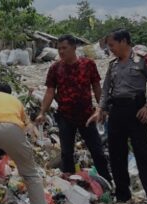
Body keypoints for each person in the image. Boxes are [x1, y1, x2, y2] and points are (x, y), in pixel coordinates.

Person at [87, 29, 147, 204]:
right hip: (117, 112)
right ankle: (123, 196)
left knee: (144, 156)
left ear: (123, 42)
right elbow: (106, 90)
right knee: (116, 155)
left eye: (112, 45)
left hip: (137, 110)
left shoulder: (142, 59)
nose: (110, 49)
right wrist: (101, 109)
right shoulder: (112, 65)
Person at [35, 34, 112, 183]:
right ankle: (70, 184)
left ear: (74, 48)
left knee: (97, 151)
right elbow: (50, 91)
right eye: (59, 49)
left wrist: (102, 108)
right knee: (66, 153)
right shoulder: (55, 68)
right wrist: (42, 112)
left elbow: (96, 88)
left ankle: (106, 182)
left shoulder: (88, 64)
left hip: (86, 116)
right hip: (65, 117)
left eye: (64, 48)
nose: (61, 52)